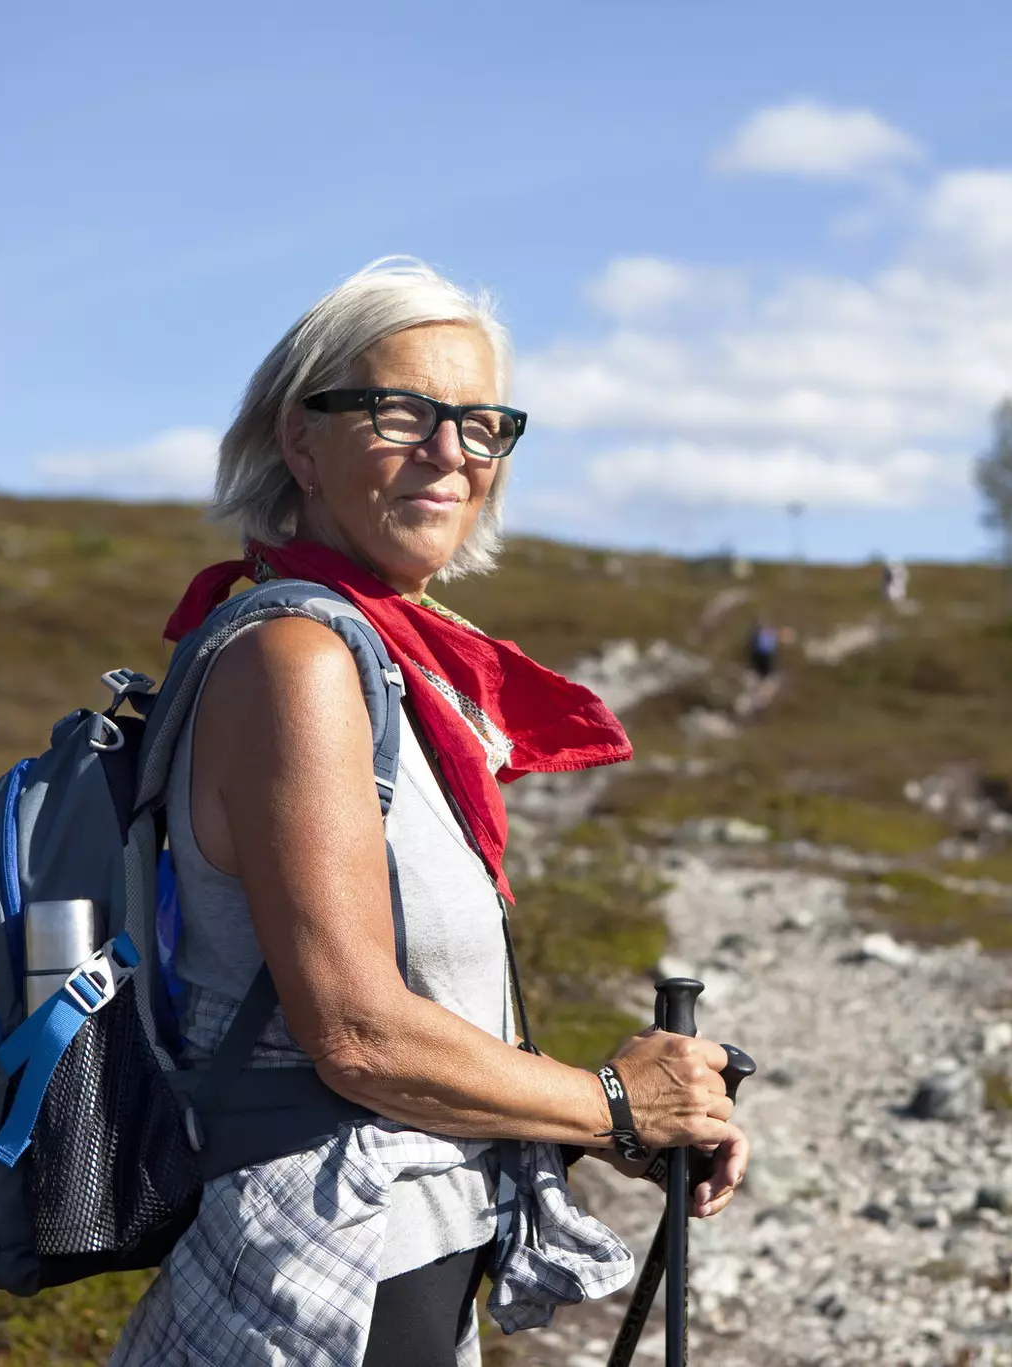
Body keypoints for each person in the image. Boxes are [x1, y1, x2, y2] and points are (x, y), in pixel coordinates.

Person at [114, 258, 749, 1366]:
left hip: (394, 1262)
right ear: (298, 441)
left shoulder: (380, 663)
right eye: (401, 411)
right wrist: (606, 1099)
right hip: (329, 1279)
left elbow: (407, 1017)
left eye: (481, 422)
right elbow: (359, 1033)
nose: (451, 451)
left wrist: (609, 1117)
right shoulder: (296, 658)